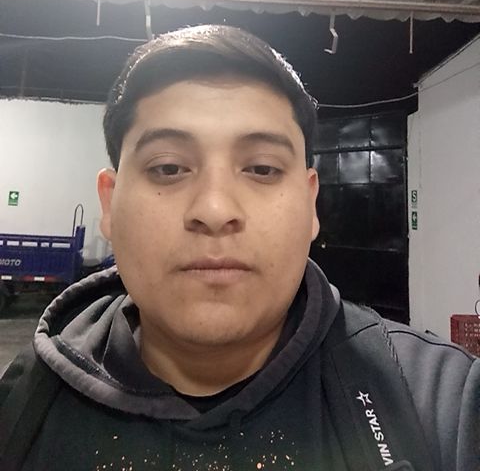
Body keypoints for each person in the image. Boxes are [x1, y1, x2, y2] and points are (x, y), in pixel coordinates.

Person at [0, 25, 478, 471]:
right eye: (168, 168)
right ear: (109, 203)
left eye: (262, 169)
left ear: (310, 202)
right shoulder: (23, 405)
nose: (214, 209)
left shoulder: (441, 405)